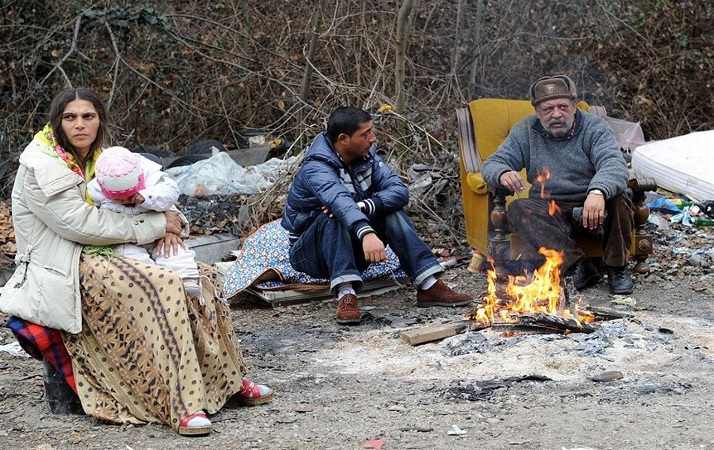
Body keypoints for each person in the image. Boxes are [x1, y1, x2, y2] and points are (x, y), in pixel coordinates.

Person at [0, 87, 271, 436]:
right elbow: (81, 225)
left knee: (203, 276)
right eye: (70, 117)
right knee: (163, 285)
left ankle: (227, 380)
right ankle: (184, 404)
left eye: (88, 116)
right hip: (66, 261)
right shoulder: (42, 165)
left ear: (100, 120)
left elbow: (152, 188)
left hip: (114, 247)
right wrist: (156, 225)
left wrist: (172, 222)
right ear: (57, 122)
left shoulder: (107, 157)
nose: (80, 124)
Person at [281, 106, 472, 324]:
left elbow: (399, 191)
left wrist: (364, 206)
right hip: (310, 254)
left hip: (353, 247)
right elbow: (339, 201)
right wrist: (366, 233)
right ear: (343, 139)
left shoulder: (367, 157)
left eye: (371, 131)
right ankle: (346, 294)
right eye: (365, 134)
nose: (373, 138)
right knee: (333, 214)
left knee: (390, 212)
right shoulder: (316, 168)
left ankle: (428, 285)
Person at [481, 74, 634, 294]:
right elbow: (493, 163)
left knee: (619, 198)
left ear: (574, 106)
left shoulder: (595, 128)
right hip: (551, 206)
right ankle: (577, 265)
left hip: (590, 203)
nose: (556, 114)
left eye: (562, 107)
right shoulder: (525, 130)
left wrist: (598, 191)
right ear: (537, 111)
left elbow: (614, 164)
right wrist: (502, 172)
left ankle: (617, 267)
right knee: (519, 208)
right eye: (547, 109)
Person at [88, 146, 202, 298]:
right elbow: (93, 220)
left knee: (173, 250)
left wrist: (147, 197)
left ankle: (186, 279)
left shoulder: (152, 179)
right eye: (119, 200)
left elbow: (170, 193)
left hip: (158, 235)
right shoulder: (93, 192)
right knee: (131, 260)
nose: (125, 202)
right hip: (125, 239)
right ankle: (151, 281)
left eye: (130, 197)